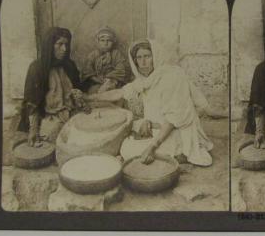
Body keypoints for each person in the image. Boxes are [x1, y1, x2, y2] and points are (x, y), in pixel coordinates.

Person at [85, 39, 223, 166]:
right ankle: (164, 153)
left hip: (178, 130)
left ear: (155, 57)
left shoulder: (173, 76)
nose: (143, 62)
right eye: (139, 58)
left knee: (130, 150)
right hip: (158, 127)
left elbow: (173, 119)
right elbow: (120, 93)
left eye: (147, 56)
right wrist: (89, 98)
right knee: (126, 145)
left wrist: (152, 147)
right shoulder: (145, 80)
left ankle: (180, 154)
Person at [17, 27, 85, 146]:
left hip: (72, 112)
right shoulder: (37, 68)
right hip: (50, 117)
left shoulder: (69, 65)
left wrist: (79, 96)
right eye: (59, 44)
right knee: (56, 140)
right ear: (49, 45)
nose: (64, 49)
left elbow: (77, 90)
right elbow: (32, 103)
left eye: (66, 44)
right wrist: (33, 129)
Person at [81, 26, 129, 93]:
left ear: (113, 42)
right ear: (98, 41)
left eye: (108, 40)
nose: (105, 43)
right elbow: (87, 71)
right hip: (96, 82)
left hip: (112, 82)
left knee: (113, 92)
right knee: (94, 92)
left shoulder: (116, 54)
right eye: (102, 40)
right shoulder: (93, 55)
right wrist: (97, 80)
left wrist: (109, 79)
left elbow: (121, 69)